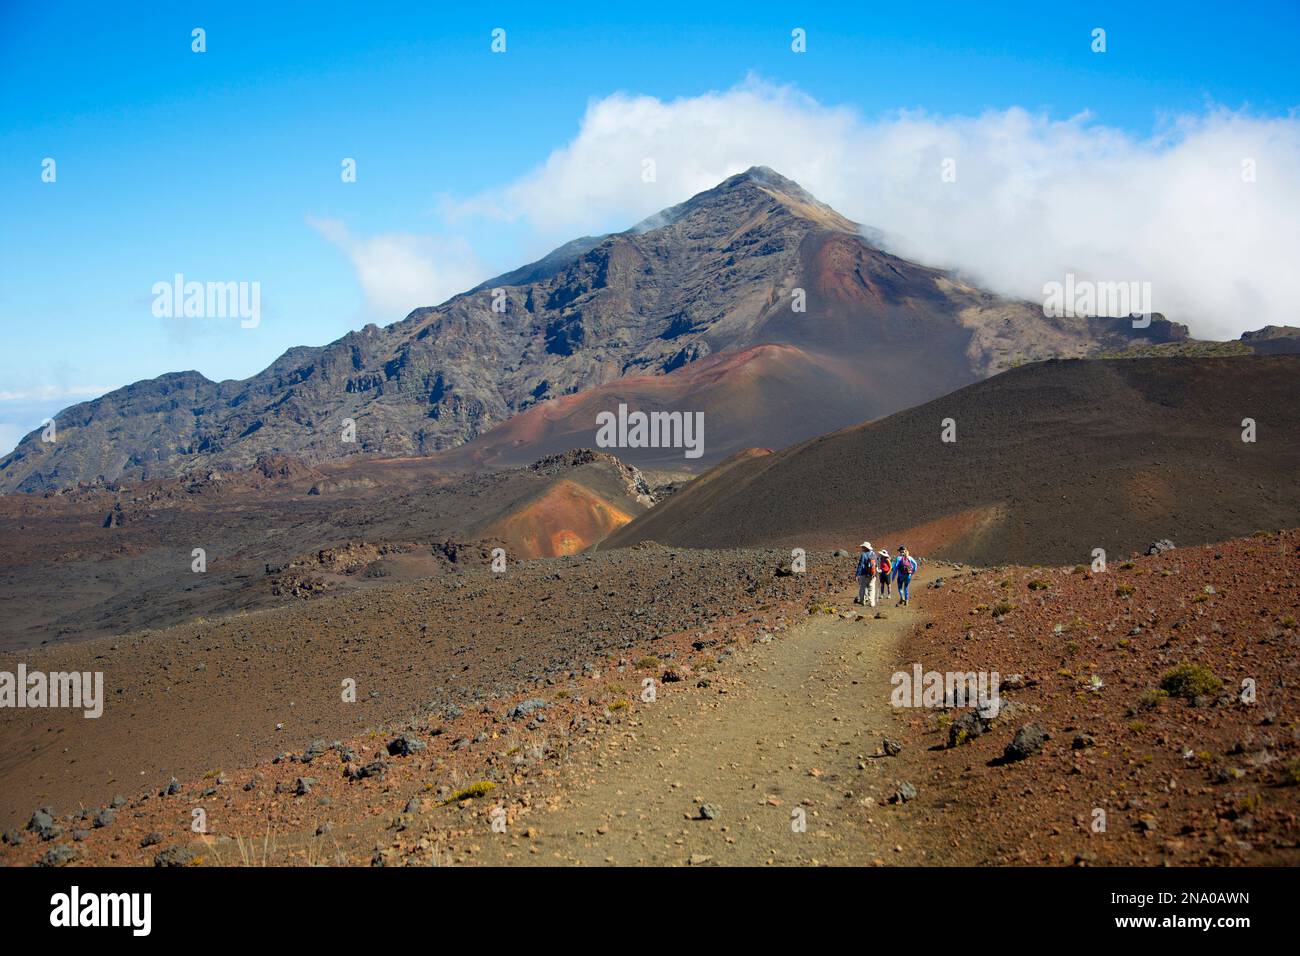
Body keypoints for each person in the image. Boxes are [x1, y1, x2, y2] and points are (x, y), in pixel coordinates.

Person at [854, 541, 878, 607]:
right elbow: (876, 564)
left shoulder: (863, 554)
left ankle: (862, 601)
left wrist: (857, 574)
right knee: (872, 588)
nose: (862, 548)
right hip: (873, 575)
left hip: (864, 574)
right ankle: (872, 602)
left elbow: (860, 565)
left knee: (863, 588)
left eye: (863, 547)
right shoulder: (874, 554)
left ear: (865, 548)